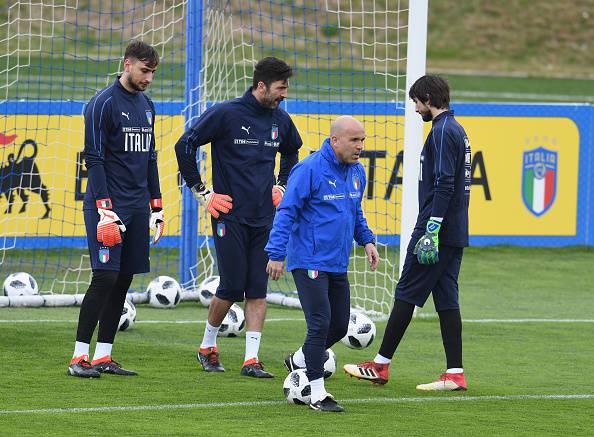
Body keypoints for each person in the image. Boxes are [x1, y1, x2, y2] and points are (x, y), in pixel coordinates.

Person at [175, 57, 302, 378]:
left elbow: (291, 151)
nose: (284, 94)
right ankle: (207, 347)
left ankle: (251, 360)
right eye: (280, 88)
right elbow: (184, 145)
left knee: (258, 289)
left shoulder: (281, 120)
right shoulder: (227, 113)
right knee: (231, 287)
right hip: (229, 216)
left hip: (264, 217)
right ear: (261, 86)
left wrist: (282, 185)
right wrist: (202, 193)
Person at [343, 75, 471, 391]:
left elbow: (444, 184)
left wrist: (432, 229)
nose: (415, 109)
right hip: (455, 231)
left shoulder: (442, 132)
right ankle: (455, 373)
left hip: (436, 231)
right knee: (446, 299)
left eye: (416, 101)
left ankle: (381, 365)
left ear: (428, 98)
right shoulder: (456, 130)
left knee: (406, 292)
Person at [265, 116, 380, 412]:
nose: (360, 147)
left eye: (363, 140)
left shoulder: (356, 172)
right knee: (320, 323)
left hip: (337, 262)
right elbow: (286, 212)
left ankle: (301, 359)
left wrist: (366, 240)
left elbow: (355, 211)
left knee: (340, 325)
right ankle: (317, 392)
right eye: (355, 140)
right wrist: (276, 253)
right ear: (335, 140)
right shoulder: (308, 169)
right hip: (309, 260)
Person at [68, 40, 164, 378]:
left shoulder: (148, 105)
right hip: (106, 207)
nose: (148, 78)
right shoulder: (102, 103)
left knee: (123, 279)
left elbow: (150, 158)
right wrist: (105, 208)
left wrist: (157, 205)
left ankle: (102, 356)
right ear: (127, 64)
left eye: (152, 72)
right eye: (144, 70)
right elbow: (93, 158)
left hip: (138, 207)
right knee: (105, 276)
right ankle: (78, 357)